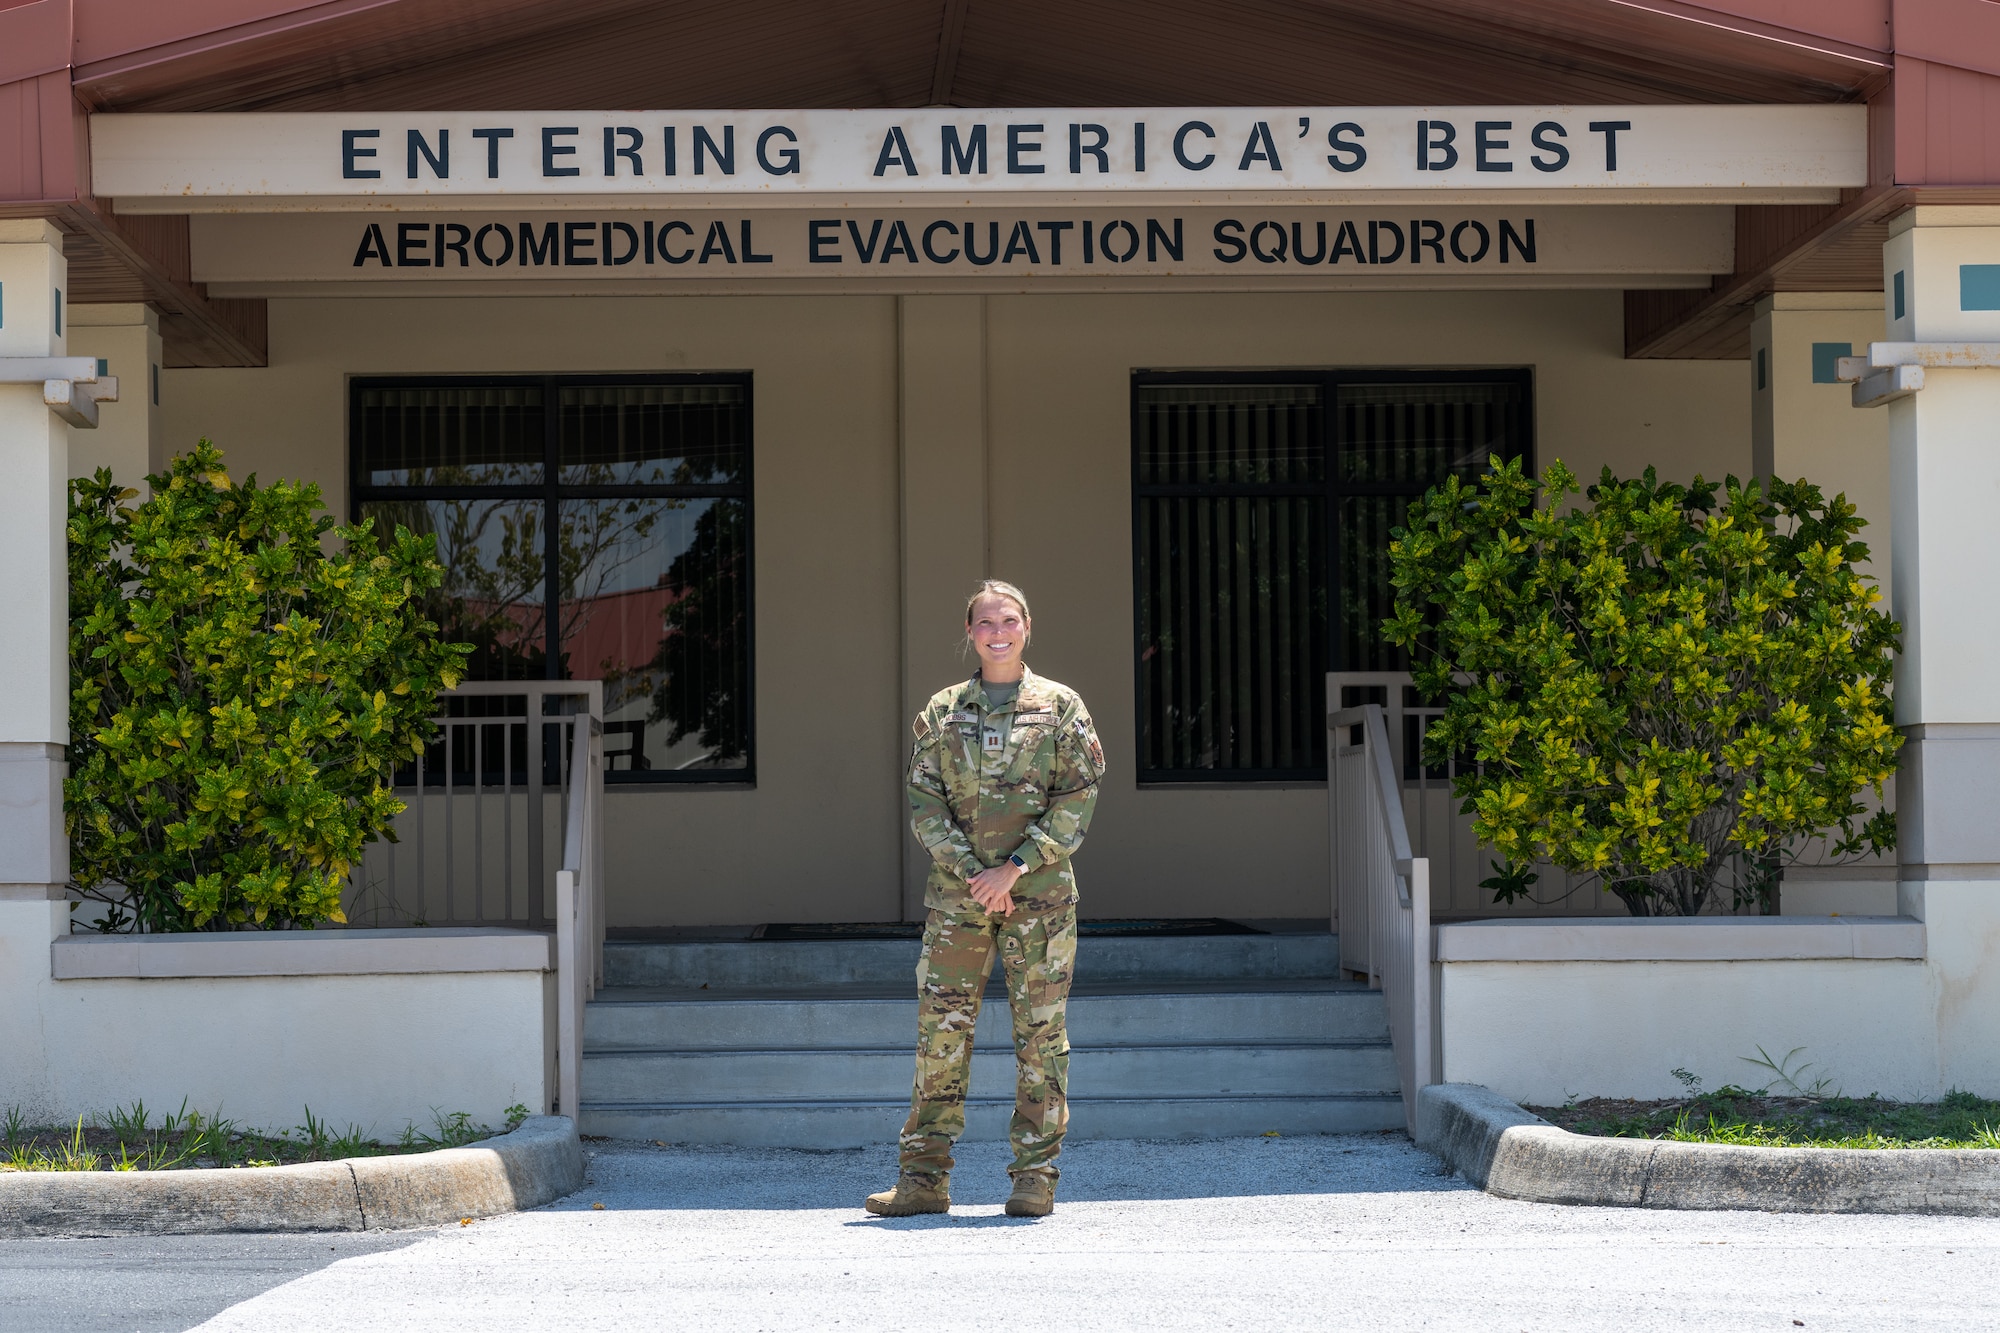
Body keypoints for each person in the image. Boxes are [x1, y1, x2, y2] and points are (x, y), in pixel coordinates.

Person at [865, 580, 1105, 1220]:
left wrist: (1016, 867)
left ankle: (1034, 1179)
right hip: (957, 904)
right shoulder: (942, 712)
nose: (997, 632)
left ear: (1027, 625)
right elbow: (924, 801)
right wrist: (975, 871)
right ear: (969, 632)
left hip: (1041, 901)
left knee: (1041, 1039)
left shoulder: (1060, 707)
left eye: (1008, 621)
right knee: (940, 1040)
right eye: (984, 623)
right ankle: (922, 1180)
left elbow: (1078, 796)